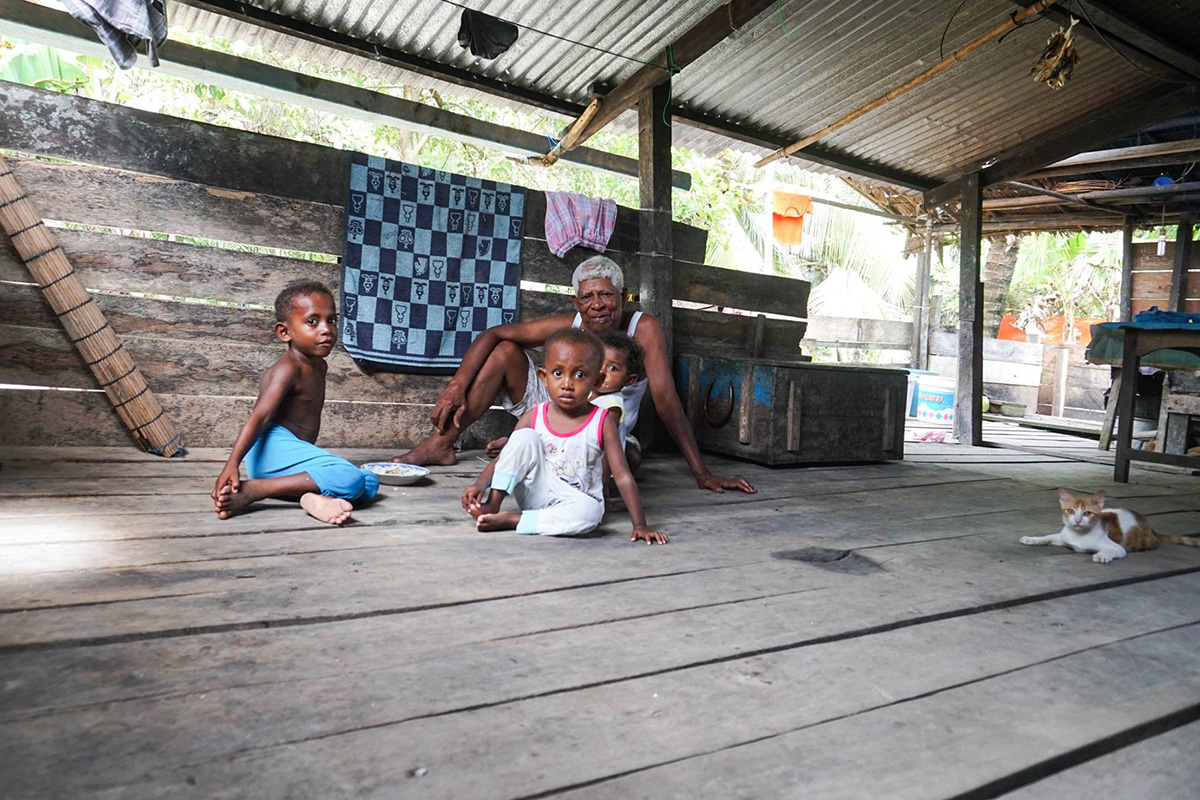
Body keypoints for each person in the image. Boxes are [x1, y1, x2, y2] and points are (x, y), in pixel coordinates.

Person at [394, 255, 756, 495]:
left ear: (624, 296)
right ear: (576, 302)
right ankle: (442, 443)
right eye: (587, 297)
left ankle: (541, 448)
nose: (597, 304)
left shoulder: (642, 327)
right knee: (505, 350)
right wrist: (456, 385)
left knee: (627, 460)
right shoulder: (573, 323)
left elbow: (666, 402)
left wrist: (702, 473)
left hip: (606, 429)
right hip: (558, 409)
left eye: (606, 295)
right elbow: (493, 334)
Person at [463, 328, 667, 544]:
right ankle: (493, 504)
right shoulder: (535, 416)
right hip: (535, 493)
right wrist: (480, 485)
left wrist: (640, 525)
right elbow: (504, 458)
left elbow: (623, 475)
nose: (567, 384)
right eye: (558, 373)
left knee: (592, 513)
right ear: (544, 377)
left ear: (596, 381)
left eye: (579, 375)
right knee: (523, 438)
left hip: (576, 502)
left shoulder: (603, 420)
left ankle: (516, 520)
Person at [212, 281, 379, 524]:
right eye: (313, 321)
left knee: (369, 481)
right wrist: (232, 464)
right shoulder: (287, 368)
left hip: (288, 457)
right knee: (351, 478)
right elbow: (259, 417)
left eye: (331, 320)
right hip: (271, 451)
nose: (327, 329)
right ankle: (256, 490)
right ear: (285, 332)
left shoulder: (318, 364)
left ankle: (309, 497)